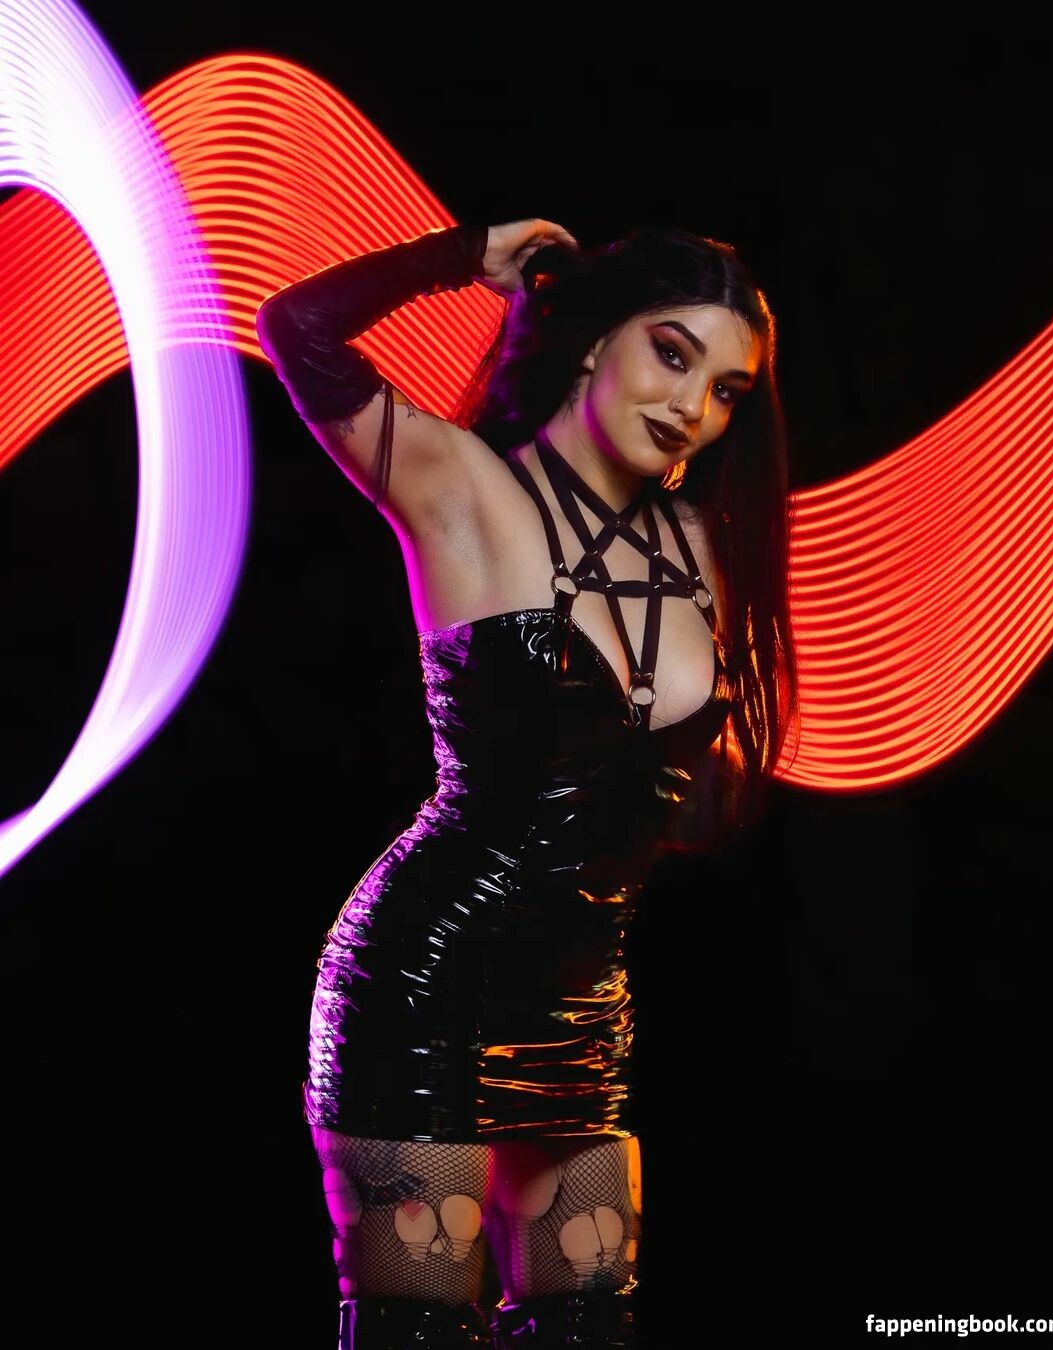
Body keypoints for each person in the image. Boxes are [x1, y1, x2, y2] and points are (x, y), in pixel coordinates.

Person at [255, 217, 798, 1348]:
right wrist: (462, 257)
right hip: (421, 988)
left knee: (589, 1328)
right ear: (596, 341)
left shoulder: (706, 547)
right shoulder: (461, 484)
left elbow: (667, 794)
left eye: (726, 390)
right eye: (671, 353)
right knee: (417, 1333)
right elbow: (295, 327)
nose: (691, 404)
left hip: (583, 1010)